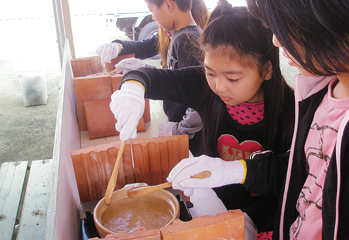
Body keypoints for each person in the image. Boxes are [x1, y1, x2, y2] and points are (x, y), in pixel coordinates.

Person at [109, 2, 295, 239]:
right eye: (210, 72)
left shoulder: (290, 111)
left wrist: (251, 221)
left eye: (233, 78)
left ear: (267, 70)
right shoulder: (203, 87)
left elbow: (290, 182)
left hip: (265, 222)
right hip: (212, 207)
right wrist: (132, 90)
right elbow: (148, 76)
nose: (219, 86)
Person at [244, 0, 349, 239]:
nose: (276, 40)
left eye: (283, 24)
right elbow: (313, 174)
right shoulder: (320, 92)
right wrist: (240, 171)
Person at [97, 0, 209, 157]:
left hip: (193, 139)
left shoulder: (186, 41)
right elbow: (175, 79)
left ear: (169, 5)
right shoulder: (179, 36)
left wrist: (180, 130)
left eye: (152, 10)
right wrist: (145, 69)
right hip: (185, 133)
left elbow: (203, 94)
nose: (153, 17)